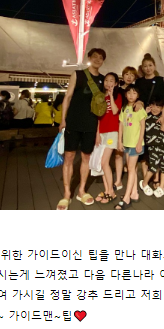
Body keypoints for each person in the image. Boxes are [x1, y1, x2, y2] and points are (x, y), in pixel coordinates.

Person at [57, 48, 106, 210]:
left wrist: (98, 131)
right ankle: (66, 194)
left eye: (101, 58)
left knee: (86, 157)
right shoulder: (77, 74)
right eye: (95, 57)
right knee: (69, 157)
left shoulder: (103, 80)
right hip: (73, 122)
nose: (98, 60)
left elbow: (101, 108)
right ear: (89, 58)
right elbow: (68, 97)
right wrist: (63, 120)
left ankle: (82, 190)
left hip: (91, 124)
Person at [135, 54, 164, 188]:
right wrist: (139, 103)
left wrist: (163, 117)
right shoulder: (139, 82)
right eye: (145, 66)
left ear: (154, 66)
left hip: (157, 117)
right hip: (144, 117)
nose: (148, 68)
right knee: (145, 148)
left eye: (150, 65)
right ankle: (145, 178)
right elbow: (137, 98)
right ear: (142, 68)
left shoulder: (161, 80)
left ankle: (156, 178)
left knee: (156, 148)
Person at [115, 85, 147, 210]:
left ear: (138, 96)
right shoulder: (124, 108)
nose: (131, 95)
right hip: (127, 143)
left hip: (135, 144)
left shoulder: (139, 109)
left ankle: (127, 197)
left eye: (134, 93)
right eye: (129, 93)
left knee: (131, 169)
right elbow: (121, 125)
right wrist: (119, 141)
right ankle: (134, 193)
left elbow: (143, 126)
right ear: (125, 95)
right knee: (131, 168)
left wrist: (139, 142)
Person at [94, 73, 122, 204]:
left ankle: (111, 191)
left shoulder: (118, 96)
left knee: (104, 162)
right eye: (106, 80)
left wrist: (110, 96)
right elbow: (98, 117)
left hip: (112, 132)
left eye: (111, 81)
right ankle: (107, 190)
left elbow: (115, 111)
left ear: (116, 83)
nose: (108, 83)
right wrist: (97, 134)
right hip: (102, 132)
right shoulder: (100, 97)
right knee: (102, 162)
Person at [138, 98, 164, 198]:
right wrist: (145, 112)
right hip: (152, 146)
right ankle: (144, 183)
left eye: (158, 106)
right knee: (153, 167)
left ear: (162, 108)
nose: (155, 109)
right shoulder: (146, 116)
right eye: (153, 106)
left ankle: (161, 187)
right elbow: (137, 123)